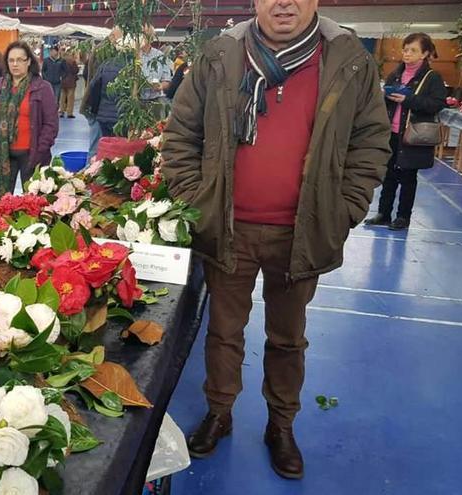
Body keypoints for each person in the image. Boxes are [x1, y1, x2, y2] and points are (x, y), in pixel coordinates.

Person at [161, 3, 391, 480]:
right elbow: (182, 132)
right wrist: (193, 197)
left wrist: (345, 207)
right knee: (223, 333)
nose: (283, 3)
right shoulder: (220, 55)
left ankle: (281, 426)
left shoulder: (347, 58)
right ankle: (219, 413)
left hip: (302, 232)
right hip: (227, 227)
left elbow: (370, 140)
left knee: (287, 339)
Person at [364, 33, 446, 230]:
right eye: (405, 49)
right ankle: (383, 213)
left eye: (413, 50)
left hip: (412, 136)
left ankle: (403, 216)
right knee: (388, 174)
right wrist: (387, 96)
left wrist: (408, 100)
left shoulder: (432, 78)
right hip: (391, 133)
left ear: (425, 53)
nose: (407, 54)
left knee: (408, 177)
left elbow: (437, 104)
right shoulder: (396, 74)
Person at [0, 41, 59, 198]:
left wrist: (41, 149)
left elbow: (51, 124)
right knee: (3, 201)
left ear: (29, 62)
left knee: (33, 202)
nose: (15, 64)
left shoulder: (42, 87)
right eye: (11, 60)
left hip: (32, 155)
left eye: (20, 60)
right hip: (5, 155)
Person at [86, 54, 126, 137]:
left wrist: (94, 109)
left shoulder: (105, 64)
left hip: (104, 114)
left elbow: (94, 85)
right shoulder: (129, 66)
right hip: (121, 115)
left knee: (106, 142)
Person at [139, 25, 172, 120]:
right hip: (138, 102)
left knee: (157, 129)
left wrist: (161, 86)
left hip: (156, 100)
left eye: (146, 35)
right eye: (142, 34)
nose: (144, 37)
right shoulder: (134, 56)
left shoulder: (160, 56)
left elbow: (167, 80)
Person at [41, 45, 65, 112]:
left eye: (53, 51)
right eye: (50, 51)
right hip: (48, 83)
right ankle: (47, 110)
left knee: (56, 97)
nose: (51, 52)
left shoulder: (61, 61)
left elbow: (65, 70)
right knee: (48, 97)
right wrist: (45, 79)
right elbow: (43, 71)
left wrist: (61, 77)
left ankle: (54, 111)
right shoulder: (46, 60)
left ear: (56, 52)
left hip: (58, 83)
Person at [59, 51, 79, 119]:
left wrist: (63, 76)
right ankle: (69, 113)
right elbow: (76, 70)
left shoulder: (62, 61)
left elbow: (59, 70)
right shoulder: (72, 62)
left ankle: (61, 111)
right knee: (70, 98)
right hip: (71, 82)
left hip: (63, 81)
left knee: (62, 97)